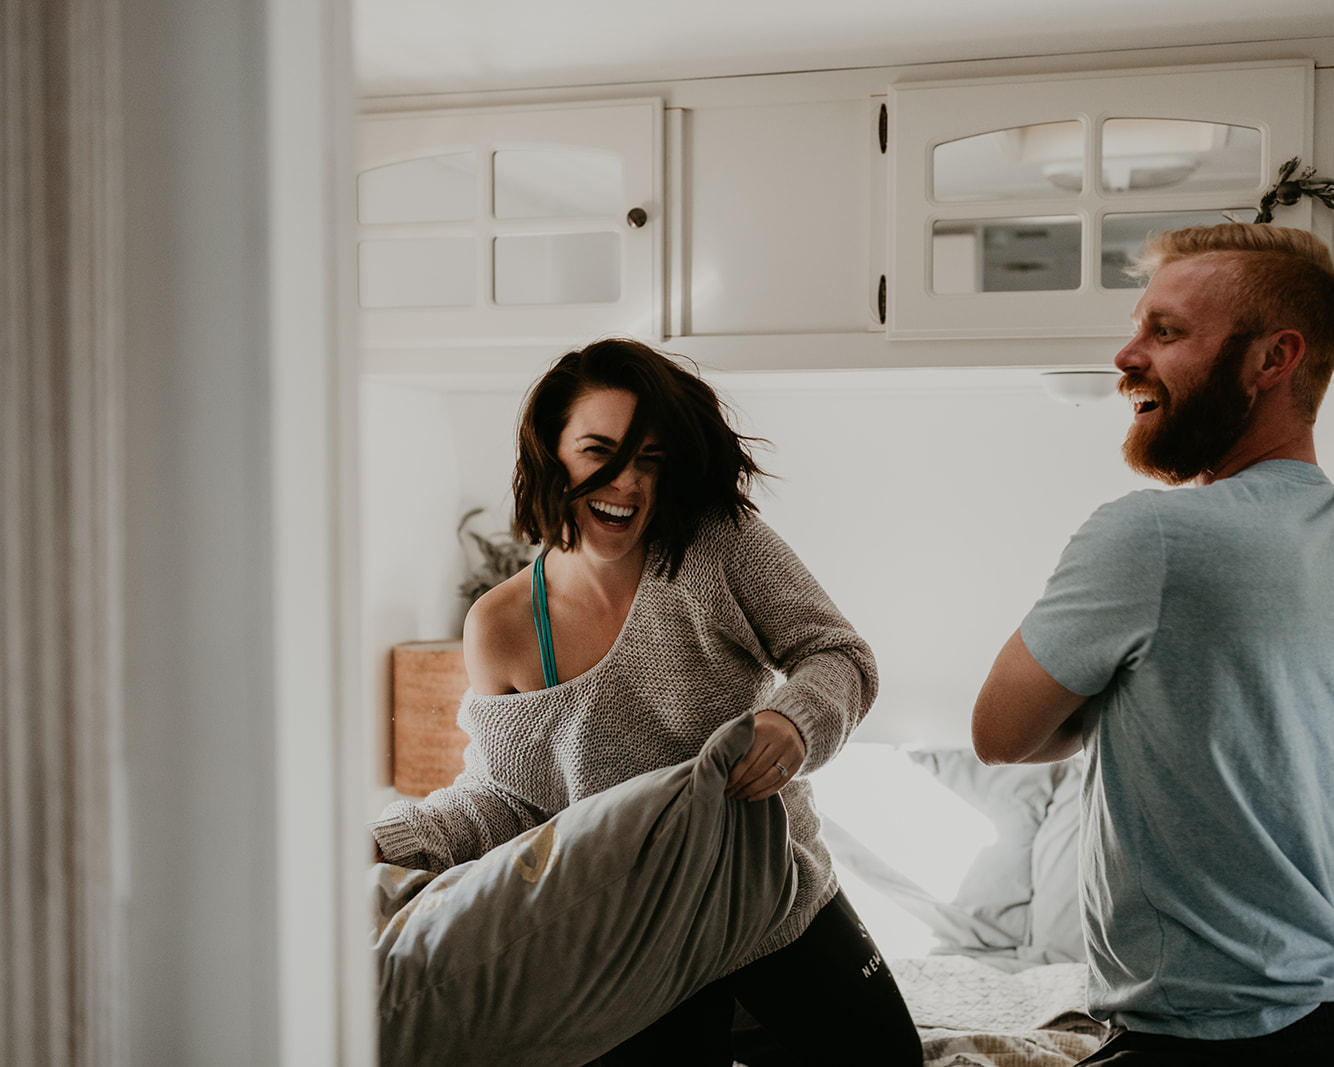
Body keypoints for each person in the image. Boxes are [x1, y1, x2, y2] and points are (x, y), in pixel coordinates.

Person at [971, 223, 1334, 1065]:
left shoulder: (1150, 537)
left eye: (1165, 331)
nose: (1126, 354)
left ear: (1273, 359)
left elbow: (1000, 733)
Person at [370, 337, 922, 1066]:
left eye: (650, 460)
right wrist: (385, 842)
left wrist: (795, 720)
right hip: (634, 936)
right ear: (551, 452)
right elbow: (507, 801)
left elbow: (840, 656)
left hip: (769, 897)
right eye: (600, 450)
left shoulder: (718, 546)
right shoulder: (500, 625)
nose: (626, 482)